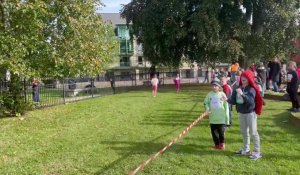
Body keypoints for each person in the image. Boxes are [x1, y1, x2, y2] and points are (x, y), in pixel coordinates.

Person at [229, 70, 263, 160]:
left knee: (253, 132)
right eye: (242, 77)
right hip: (241, 113)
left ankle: (257, 152)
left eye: (245, 77)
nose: (243, 78)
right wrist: (226, 99)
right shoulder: (238, 87)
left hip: (250, 113)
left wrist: (242, 94)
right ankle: (246, 149)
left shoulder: (252, 89)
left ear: (249, 79)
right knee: (244, 132)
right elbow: (233, 101)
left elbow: (251, 103)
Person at [204, 79, 230, 150]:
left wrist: (227, 119)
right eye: (212, 86)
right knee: (214, 133)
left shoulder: (222, 94)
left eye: (215, 85)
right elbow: (206, 103)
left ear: (219, 87)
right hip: (213, 118)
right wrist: (207, 109)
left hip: (221, 118)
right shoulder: (209, 94)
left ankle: (222, 144)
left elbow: (226, 106)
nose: (214, 87)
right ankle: (216, 145)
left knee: (221, 133)